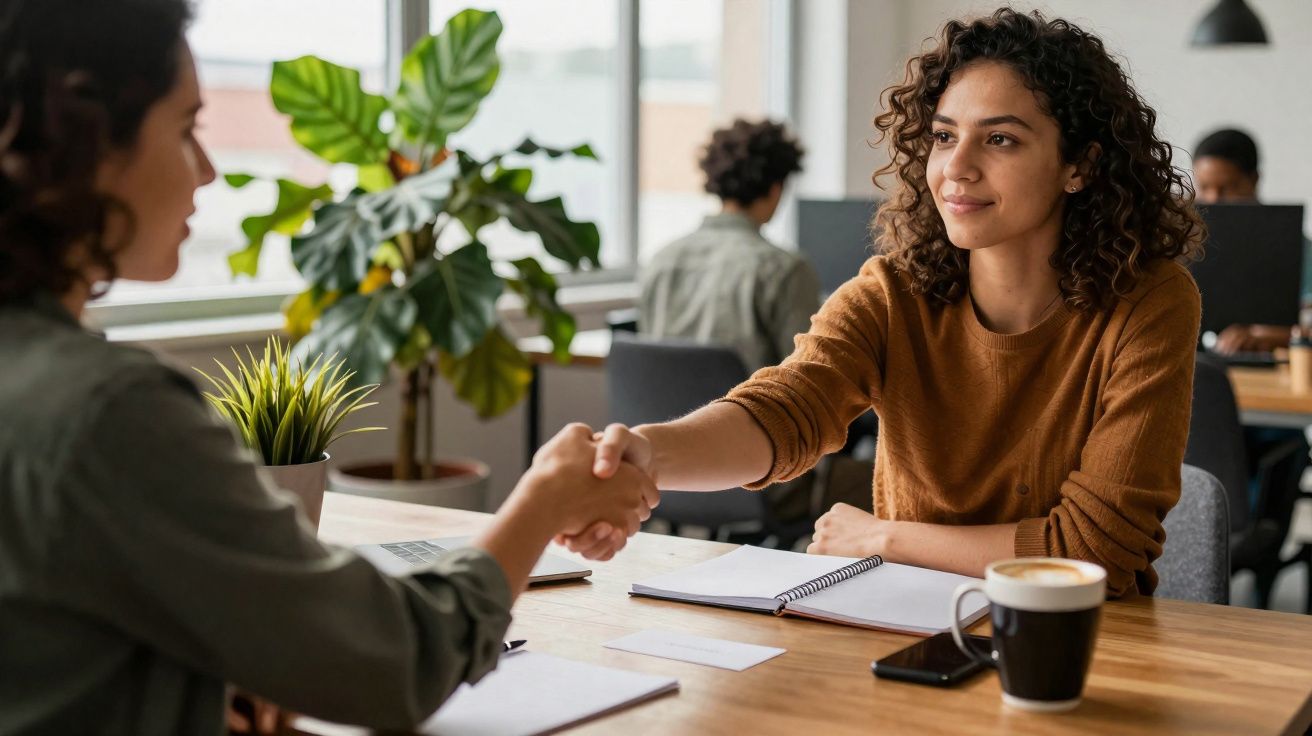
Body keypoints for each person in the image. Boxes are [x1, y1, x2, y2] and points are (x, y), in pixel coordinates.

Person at [0, 1, 655, 733]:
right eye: (186, 130)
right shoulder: (109, 413)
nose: (209, 171)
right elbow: (397, 660)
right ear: (84, 142)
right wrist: (539, 504)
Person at [566, 8, 1205, 600]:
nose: (957, 167)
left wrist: (883, 538)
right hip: (906, 616)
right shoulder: (893, 291)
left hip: (1078, 639)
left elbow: (1093, 552)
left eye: (1001, 140)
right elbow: (785, 408)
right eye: (944, 136)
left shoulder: (1149, 304)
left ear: (1081, 165)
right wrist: (649, 452)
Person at [639, 118, 819, 373]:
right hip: (748, 413)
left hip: (662, 412)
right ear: (776, 189)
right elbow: (808, 377)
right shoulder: (785, 270)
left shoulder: (660, 260)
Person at [1194, 128, 1312, 354]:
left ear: (1254, 179)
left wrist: (1263, 335)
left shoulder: (1299, 249)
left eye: (1227, 188)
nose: (1213, 200)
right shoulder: (1185, 245)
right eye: (1205, 188)